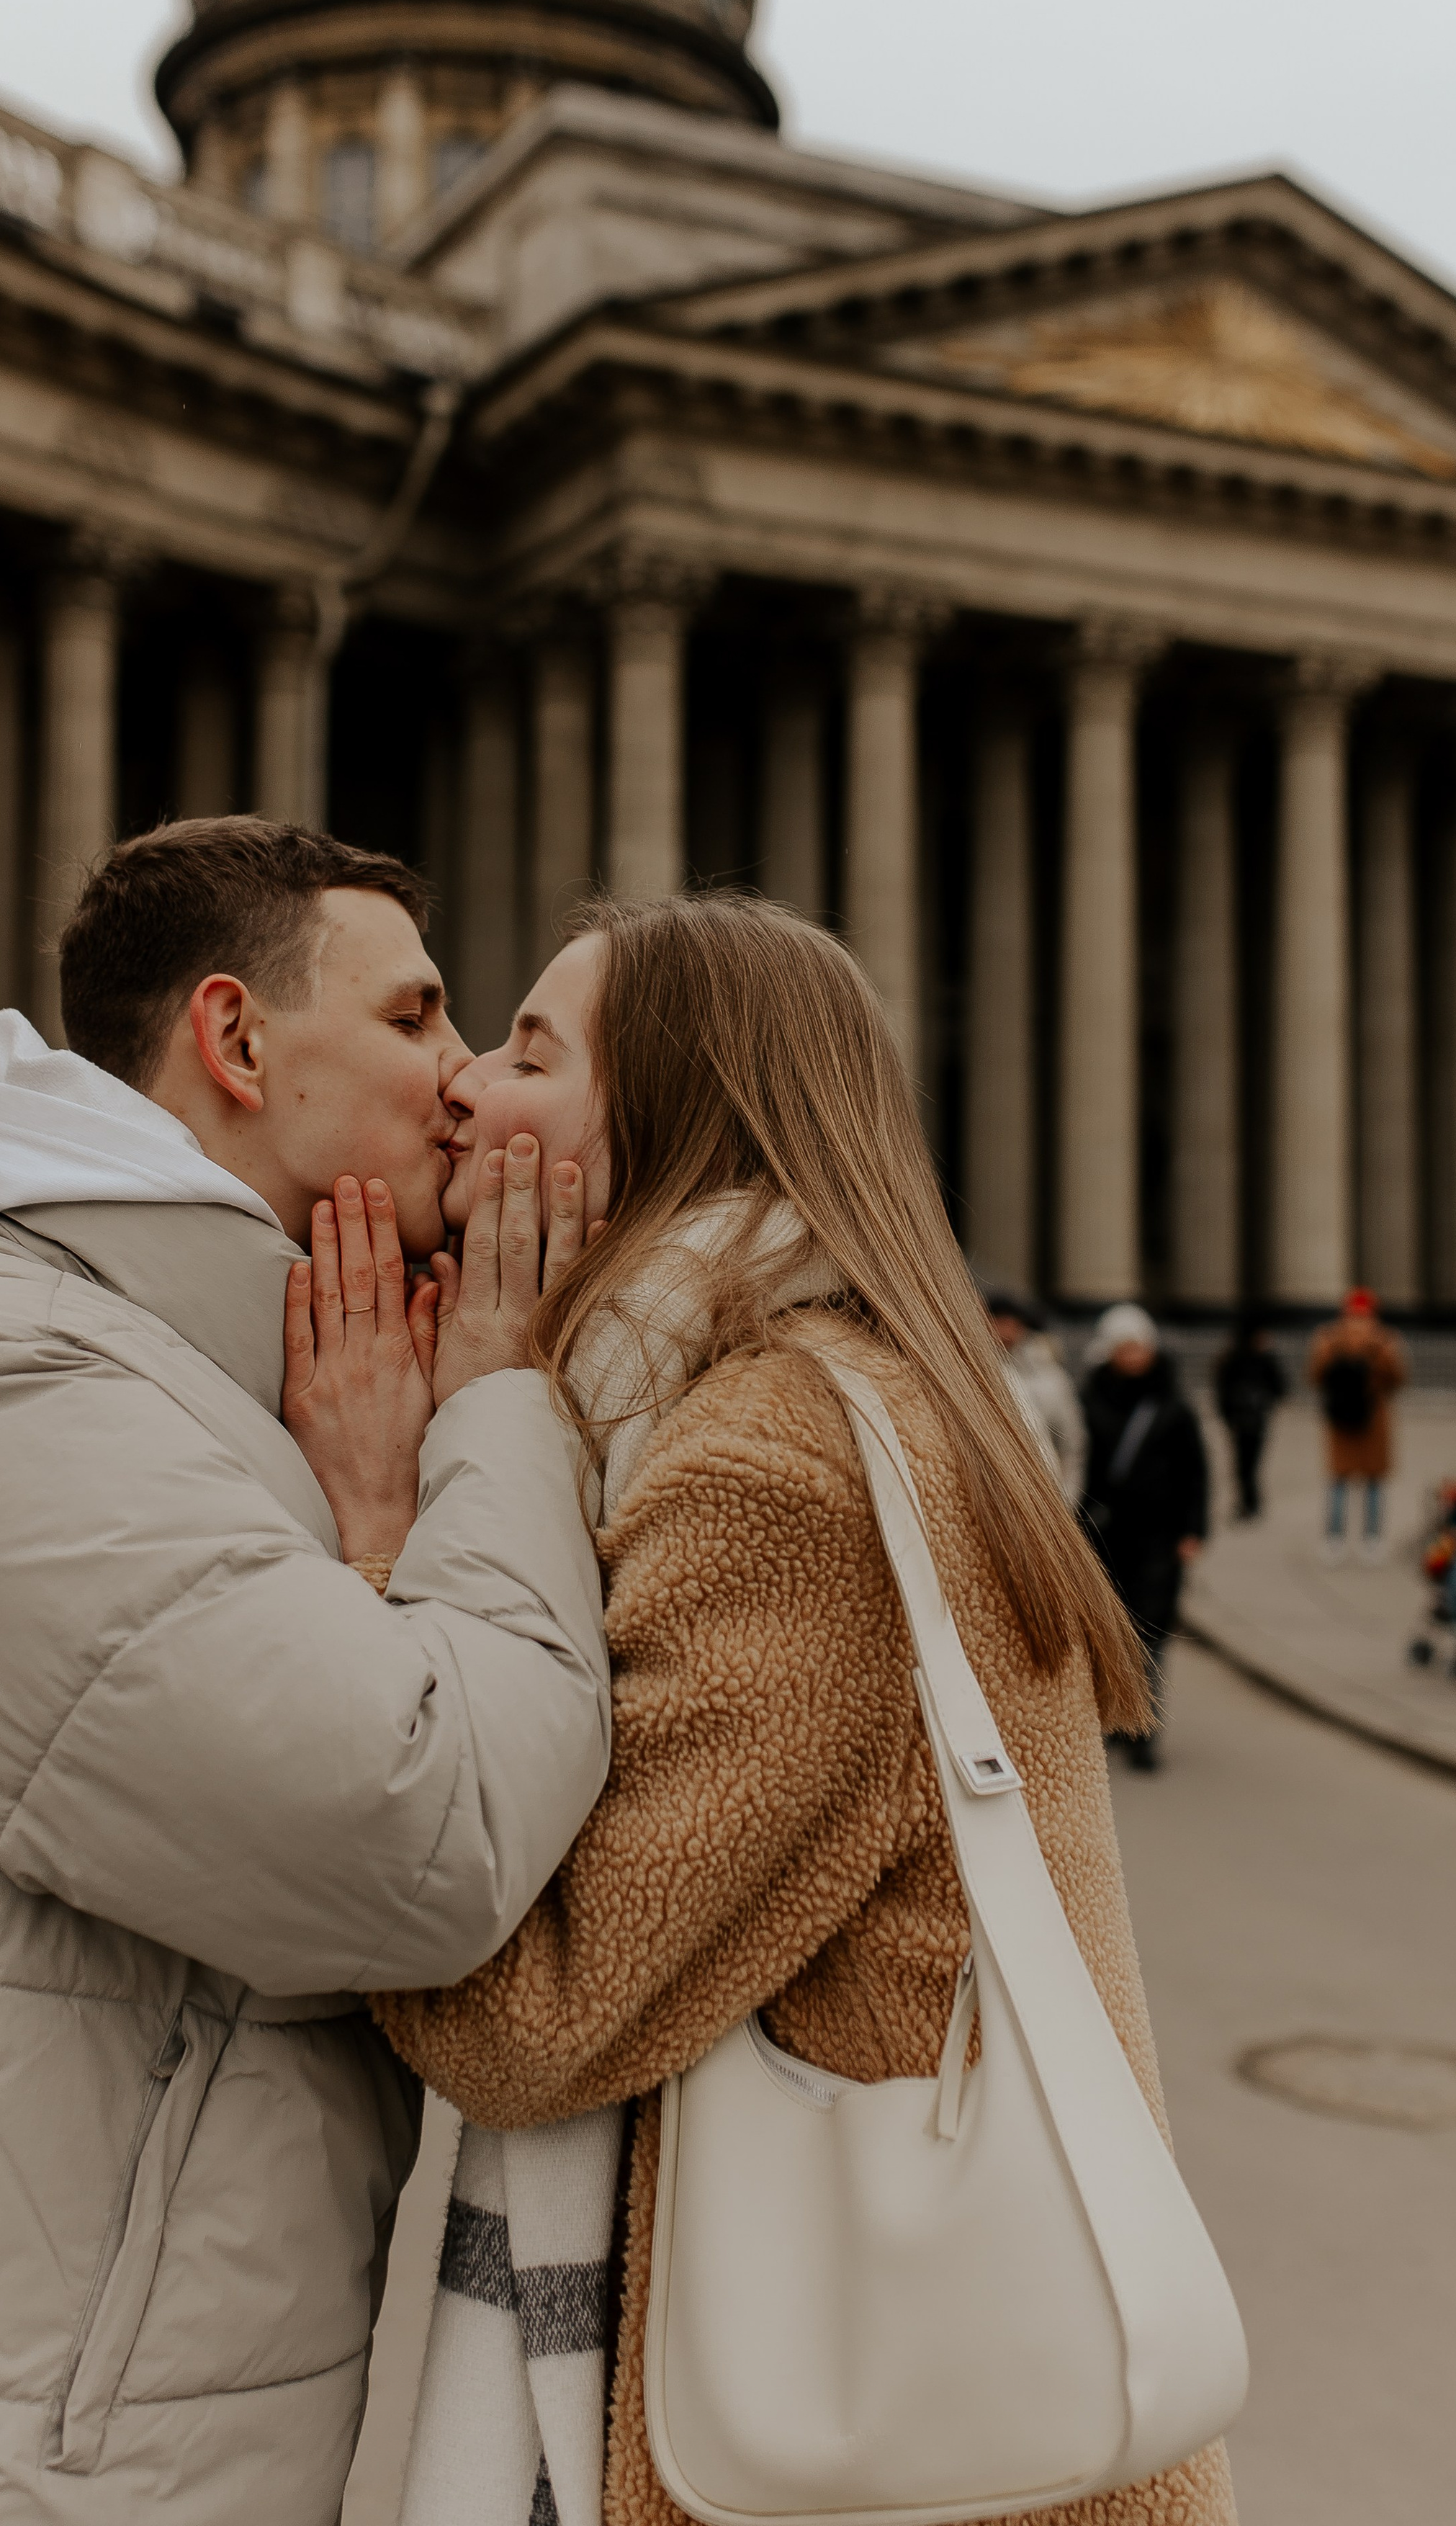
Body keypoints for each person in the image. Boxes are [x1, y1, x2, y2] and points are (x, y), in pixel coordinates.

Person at [298, 895, 1235, 2526]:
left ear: (666, 1125)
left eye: (528, 1053)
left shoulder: (780, 1463)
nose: (464, 1081)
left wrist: (382, 1537)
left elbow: (534, 2020)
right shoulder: (818, 1399)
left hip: (884, 2461)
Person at [0, 818, 614, 2525]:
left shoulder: (199, 1373)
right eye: (413, 1016)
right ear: (237, 1040)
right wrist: (492, 1401)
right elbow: (426, 1838)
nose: (463, 1075)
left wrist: (384, 1514)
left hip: (116, 2439)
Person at [1077, 1303, 1210, 1773]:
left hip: (1159, 1536)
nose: (1134, 1356)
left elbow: (1195, 1472)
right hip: (1103, 1535)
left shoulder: (1172, 1406)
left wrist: (1193, 1529)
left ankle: (1144, 1729)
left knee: (1149, 1633)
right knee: (1108, 1632)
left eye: (1139, 1347)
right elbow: (1079, 1465)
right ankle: (1113, 1716)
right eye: (1125, 1347)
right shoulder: (1088, 1400)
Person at [1308, 1288, 1408, 1564]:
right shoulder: (1384, 1339)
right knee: (1374, 1481)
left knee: (1338, 1481)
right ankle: (1372, 1541)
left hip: (1340, 1417)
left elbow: (1315, 1375)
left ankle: (1334, 1540)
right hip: (1374, 1417)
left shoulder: (1329, 1338)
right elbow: (1399, 1378)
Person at [984, 1283, 1087, 1497]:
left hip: (1046, 1494)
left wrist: (1066, 1499)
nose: (1005, 1331)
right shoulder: (977, 1371)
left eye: (1011, 1323)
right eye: (998, 1322)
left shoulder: (1051, 1377)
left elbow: (1072, 1443)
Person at [1212, 1313, 1287, 1520]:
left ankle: (1249, 1502)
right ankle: (1248, 1502)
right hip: (1244, 1419)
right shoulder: (1239, 1359)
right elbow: (1223, 1391)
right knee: (1245, 1464)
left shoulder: (1253, 1359)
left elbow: (1280, 1388)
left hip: (1251, 1418)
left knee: (1247, 1463)